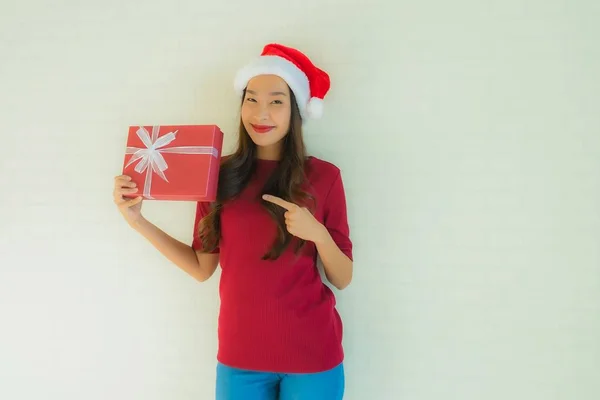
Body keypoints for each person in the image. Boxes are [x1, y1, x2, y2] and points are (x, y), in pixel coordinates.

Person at [113, 43, 353, 400]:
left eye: (276, 101)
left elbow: (343, 278)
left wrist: (317, 234)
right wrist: (138, 221)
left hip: (314, 356)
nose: (261, 112)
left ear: (295, 111)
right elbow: (201, 267)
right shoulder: (216, 175)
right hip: (240, 358)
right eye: (251, 99)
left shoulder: (325, 177)